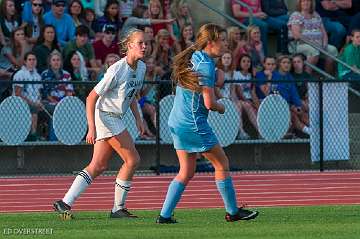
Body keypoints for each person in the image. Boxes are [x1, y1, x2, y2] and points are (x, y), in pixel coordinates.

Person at [157, 23, 259, 224]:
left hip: (177, 122)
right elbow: (209, 103)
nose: (225, 44)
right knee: (222, 164)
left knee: (186, 171)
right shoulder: (205, 65)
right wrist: (222, 107)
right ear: (210, 42)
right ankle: (232, 212)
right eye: (221, 40)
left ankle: (165, 215)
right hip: (193, 123)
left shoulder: (194, 58)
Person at [53, 28, 146, 219]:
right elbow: (91, 97)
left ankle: (64, 202)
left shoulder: (142, 67)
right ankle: (117, 209)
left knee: (98, 165)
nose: (145, 46)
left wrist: (138, 118)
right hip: (106, 116)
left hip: (115, 117)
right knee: (133, 160)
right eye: (140, 43)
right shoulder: (116, 70)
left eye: (146, 43)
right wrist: (91, 128)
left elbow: (133, 95)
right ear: (129, 46)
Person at [13, 52, 43, 141]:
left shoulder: (38, 76)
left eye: (34, 59)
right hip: (20, 103)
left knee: (41, 107)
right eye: (29, 59)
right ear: (25, 62)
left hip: (34, 103)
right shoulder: (20, 74)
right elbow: (18, 94)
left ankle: (39, 137)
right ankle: (32, 137)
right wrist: (33, 104)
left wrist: (39, 102)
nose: (32, 61)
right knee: (33, 110)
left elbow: (39, 93)